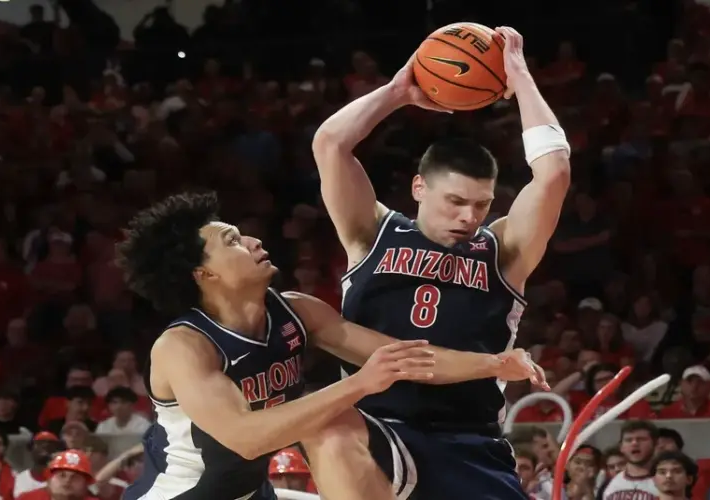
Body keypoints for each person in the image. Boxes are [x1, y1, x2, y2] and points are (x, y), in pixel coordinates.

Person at [117, 192, 538, 500]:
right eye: (232, 241)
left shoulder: (297, 311)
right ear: (202, 275)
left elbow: (404, 357)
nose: (253, 242)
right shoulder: (185, 346)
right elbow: (244, 438)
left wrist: (495, 362)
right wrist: (360, 385)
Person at [306, 26, 568, 499]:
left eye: (482, 205)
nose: (469, 216)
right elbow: (330, 144)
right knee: (330, 428)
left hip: (471, 439)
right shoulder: (372, 232)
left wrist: (520, 77)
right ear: (418, 187)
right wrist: (397, 92)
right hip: (380, 429)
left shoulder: (502, 251)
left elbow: (553, 175)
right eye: (455, 201)